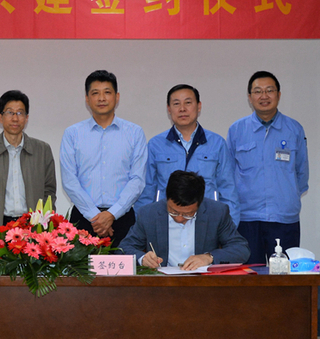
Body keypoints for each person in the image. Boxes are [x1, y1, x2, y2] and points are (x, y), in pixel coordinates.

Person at [227, 71, 309, 264]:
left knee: (284, 276)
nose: (264, 96)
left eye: (269, 90)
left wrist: (286, 196)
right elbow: (228, 175)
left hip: (284, 219)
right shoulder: (237, 130)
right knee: (249, 275)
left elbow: (302, 173)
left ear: (278, 95)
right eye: (258, 91)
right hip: (246, 218)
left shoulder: (294, 129)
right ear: (250, 97)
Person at [60, 70, 147, 248]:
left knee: (125, 266)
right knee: (81, 267)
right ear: (87, 99)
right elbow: (69, 180)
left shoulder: (134, 133)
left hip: (122, 218)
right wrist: (95, 216)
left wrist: (112, 214)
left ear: (117, 97)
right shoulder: (72, 134)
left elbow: (137, 180)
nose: (101, 98)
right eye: (95, 93)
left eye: (107, 92)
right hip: (83, 218)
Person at [135, 84, 240, 225]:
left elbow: (228, 190)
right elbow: (146, 191)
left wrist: (229, 228)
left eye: (188, 103)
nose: (182, 109)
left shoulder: (217, 143)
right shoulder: (155, 145)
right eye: (176, 104)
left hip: (208, 222)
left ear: (199, 106)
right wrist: (143, 226)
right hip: (166, 221)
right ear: (169, 109)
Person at [0, 90, 56, 245]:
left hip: (32, 228)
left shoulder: (42, 150)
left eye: (20, 113)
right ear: (0, 117)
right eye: (10, 112)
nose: (15, 118)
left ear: (27, 118)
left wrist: (46, 228)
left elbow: (49, 191)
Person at [119, 170, 250, 270]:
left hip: (203, 283)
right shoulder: (149, 214)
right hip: (163, 284)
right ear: (167, 198)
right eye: (173, 212)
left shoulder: (216, 212)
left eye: (188, 214)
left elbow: (241, 249)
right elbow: (124, 248)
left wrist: (209, 257)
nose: (179, 218)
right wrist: (142, 258)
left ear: (199, 204)